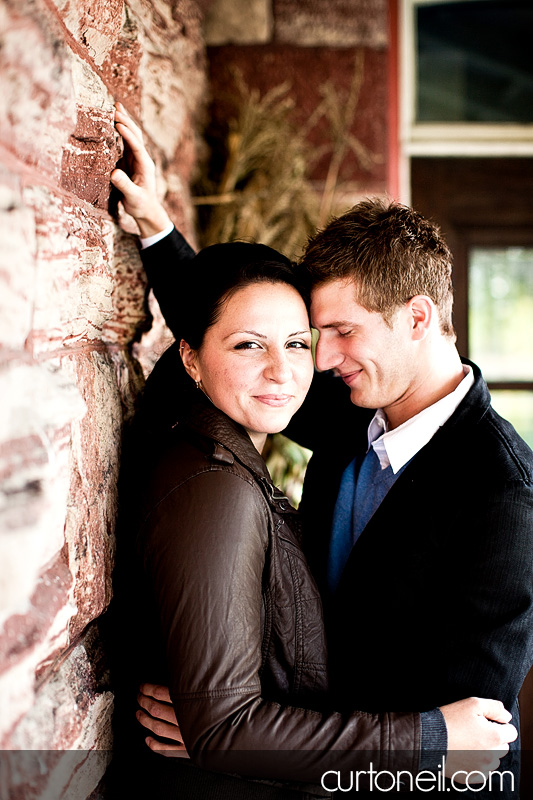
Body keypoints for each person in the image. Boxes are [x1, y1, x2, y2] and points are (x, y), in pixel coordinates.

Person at [110, 104, 523, 796]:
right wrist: (156, 231)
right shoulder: (354, 410)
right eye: (313, 333)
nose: (317, 360)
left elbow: (463, 751)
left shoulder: (504, 501)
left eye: (338, 332)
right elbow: (233, 337)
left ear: (417, 317)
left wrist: (242, 740)